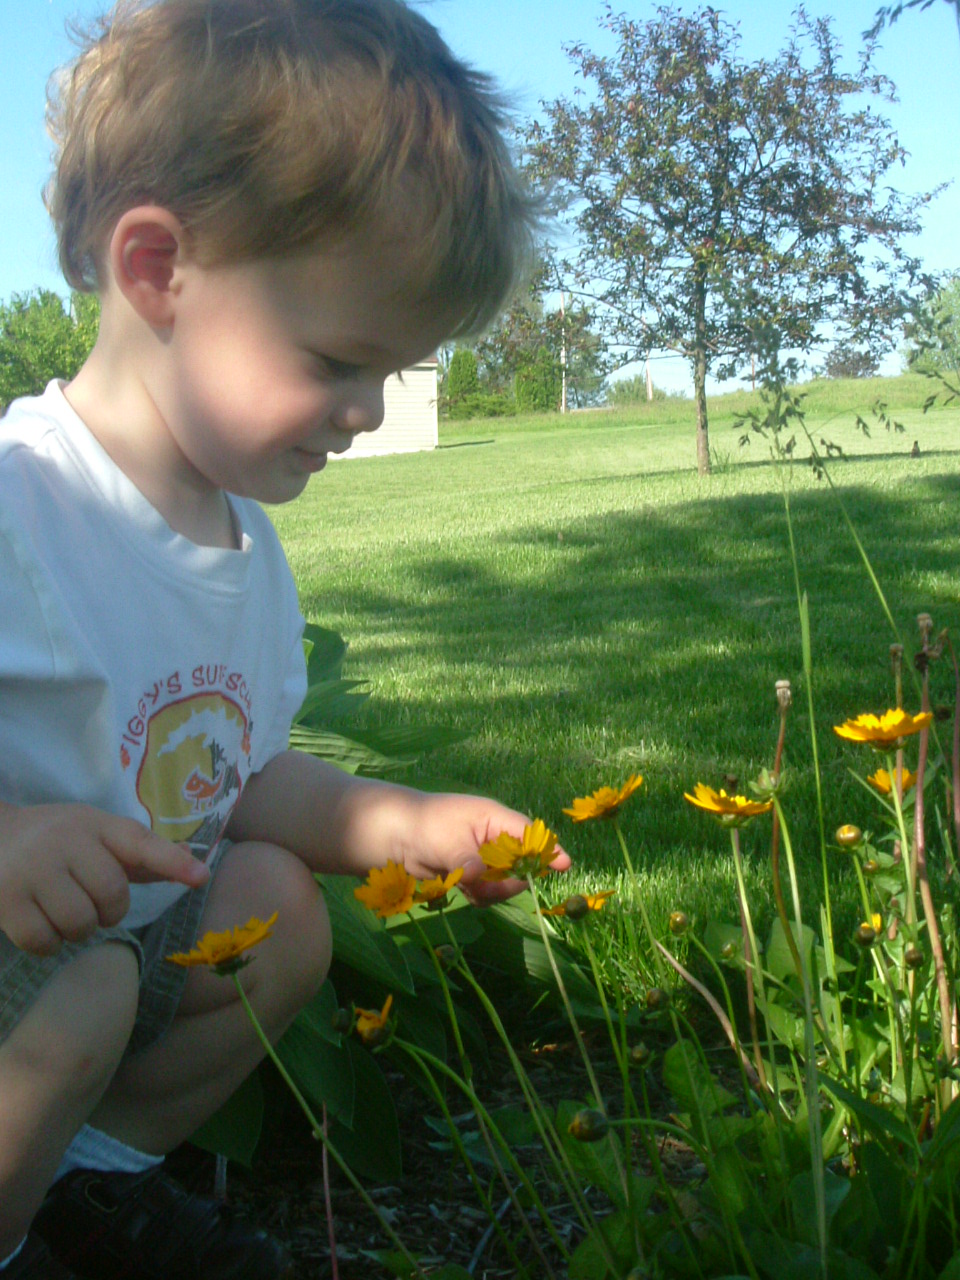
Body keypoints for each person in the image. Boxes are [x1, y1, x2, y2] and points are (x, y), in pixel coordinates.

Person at [0, 2, 567, 1276]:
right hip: (30, 973)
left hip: (106, 960)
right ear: (158, 272)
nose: (365, 412)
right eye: (337, 361)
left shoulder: (240, 545)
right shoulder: (18, 507)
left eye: (393, 373)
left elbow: (244, 780)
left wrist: (406, 824)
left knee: (277, 914)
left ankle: (83, 1190)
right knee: (89, 986)